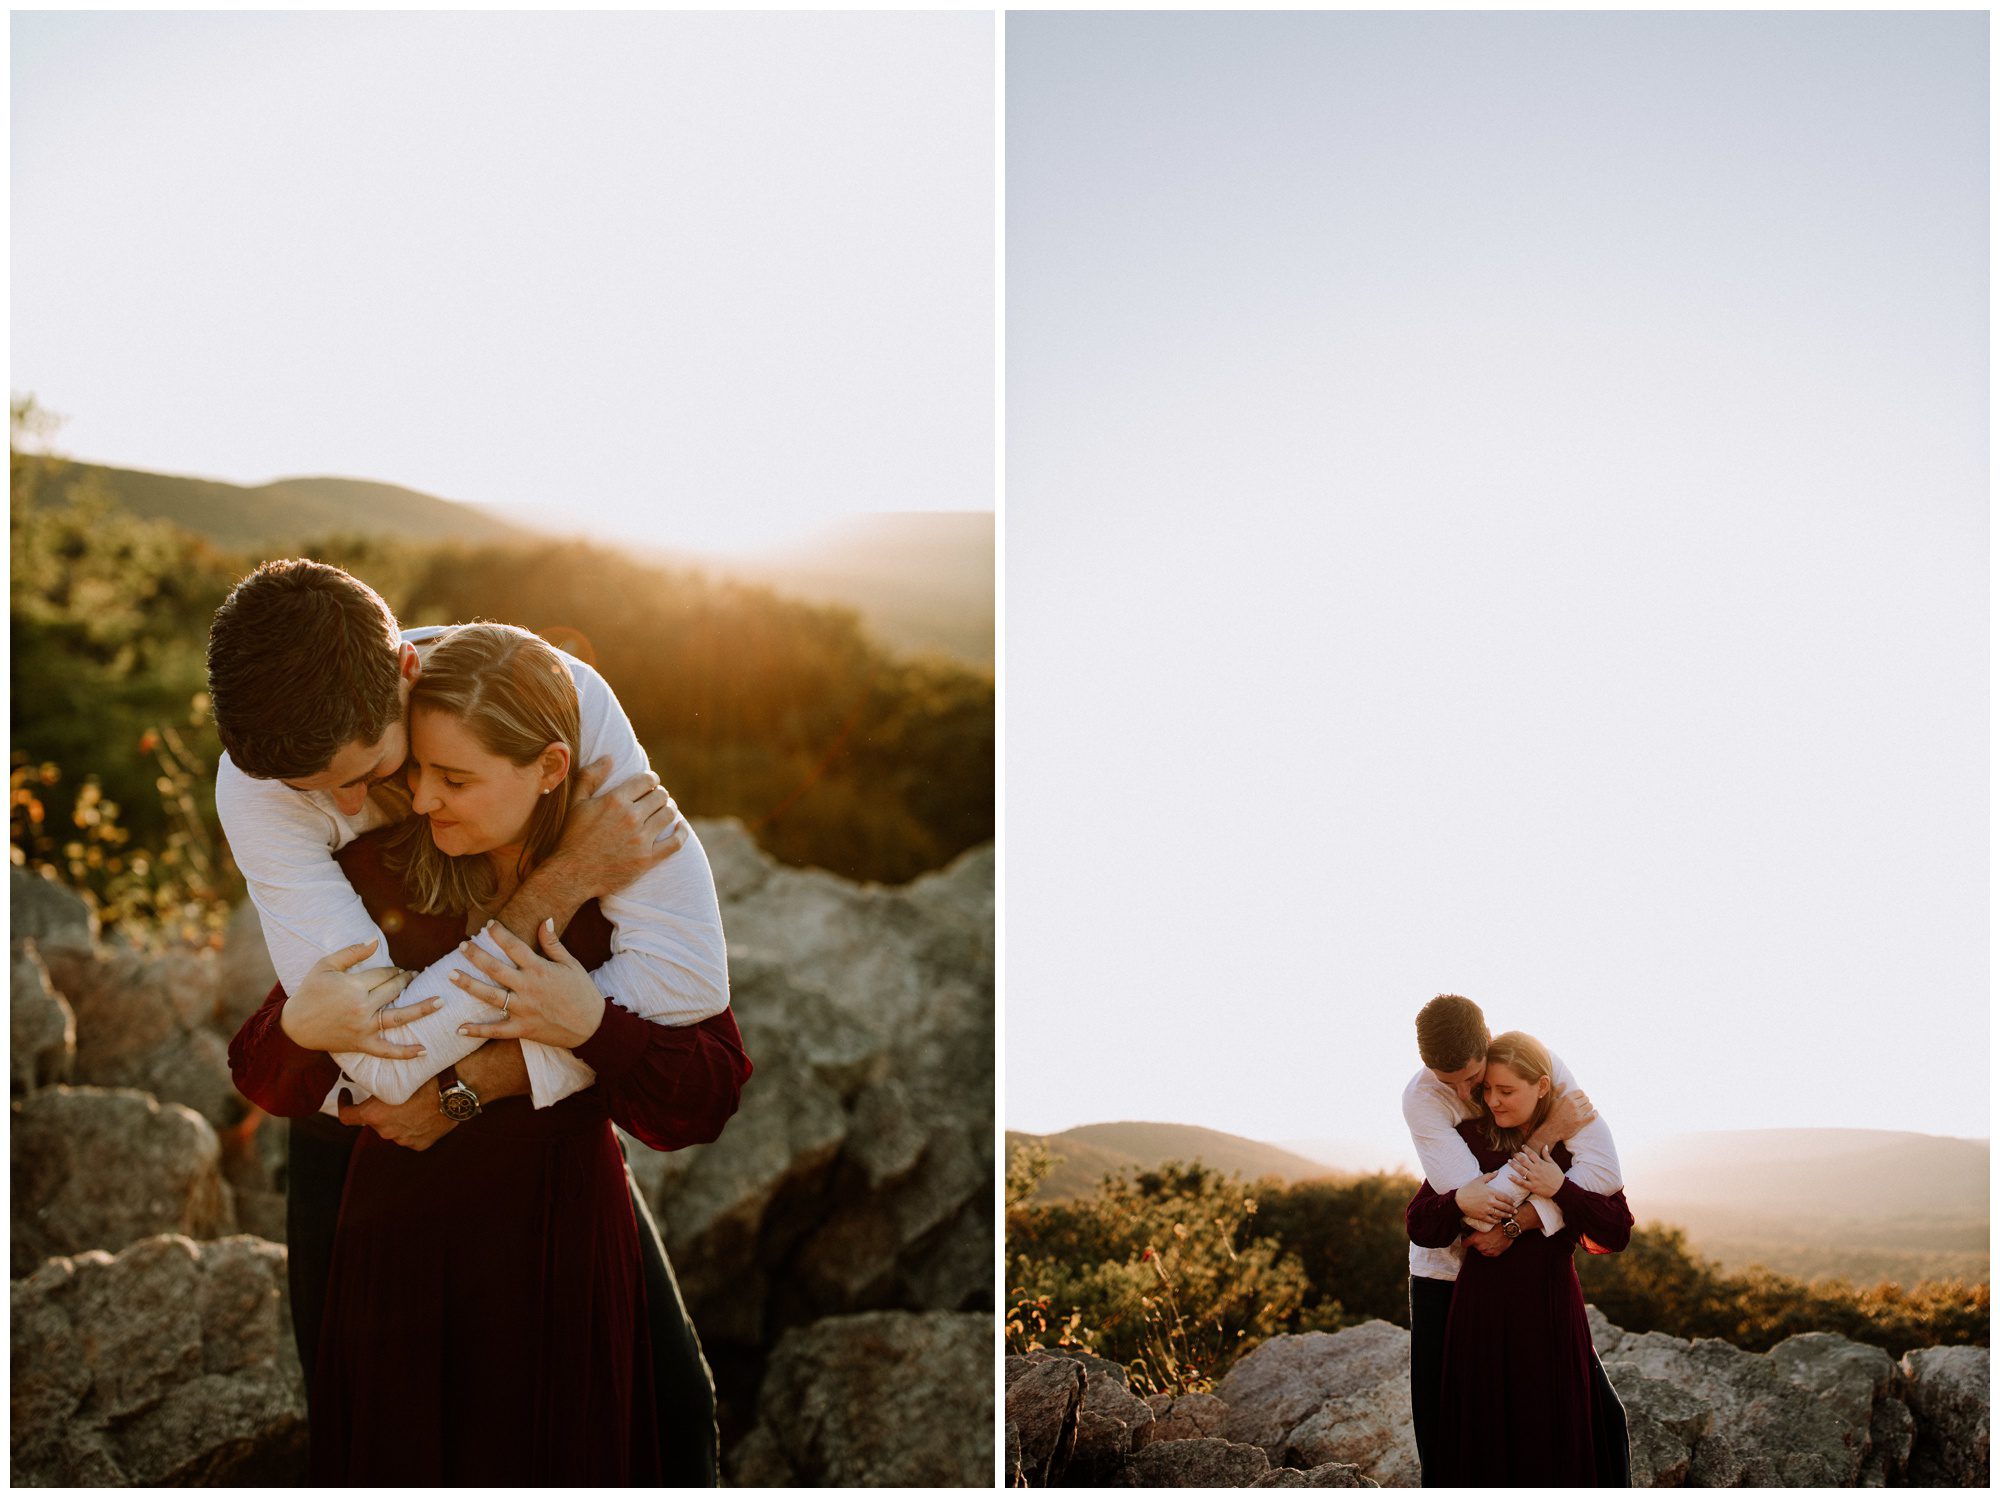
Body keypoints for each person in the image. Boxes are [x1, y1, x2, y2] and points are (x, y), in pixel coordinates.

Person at [207, 559, 731, 1482]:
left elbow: (687, 991)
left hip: (546, 1168)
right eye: (312, 792)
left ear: (408, 677)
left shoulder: (560, 705)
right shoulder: (261, 791)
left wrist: (487, 1078)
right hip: (370, 1165)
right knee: (385, 1438)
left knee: (671, 1420)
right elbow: (384, 1059)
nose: (351, 810)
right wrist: (568, 880)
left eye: (366, 772)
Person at [1401, 993, 1630, 1486]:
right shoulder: (1422, 1100)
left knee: (1602, 1421)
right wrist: (1550, 1132)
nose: (1468, 1095)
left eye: (1473, 1079)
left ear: (1486, 1044)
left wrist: (1533, 1214)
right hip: (1446, 1275)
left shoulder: (1539, 1062)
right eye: (1452, 1084)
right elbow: (1476, 1208)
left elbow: (1605, 1174)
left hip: (1530, 1283)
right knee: (1447, 1431)